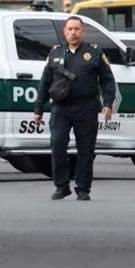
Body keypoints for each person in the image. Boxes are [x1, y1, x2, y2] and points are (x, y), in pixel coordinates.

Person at [33, 16, 116, 201]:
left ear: (83, 31)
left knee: (86, 150)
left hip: (86, 108)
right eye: (70, 29)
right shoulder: (55, 53)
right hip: (61, 108)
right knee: (57, 145)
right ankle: (61, 186)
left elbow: (107, 80)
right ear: (64, 32)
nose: (73, 32)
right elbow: (45, 82)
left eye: (77, 29)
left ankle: (83, 188)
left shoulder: (94, 52)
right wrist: (38, 108)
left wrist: (108, 104)